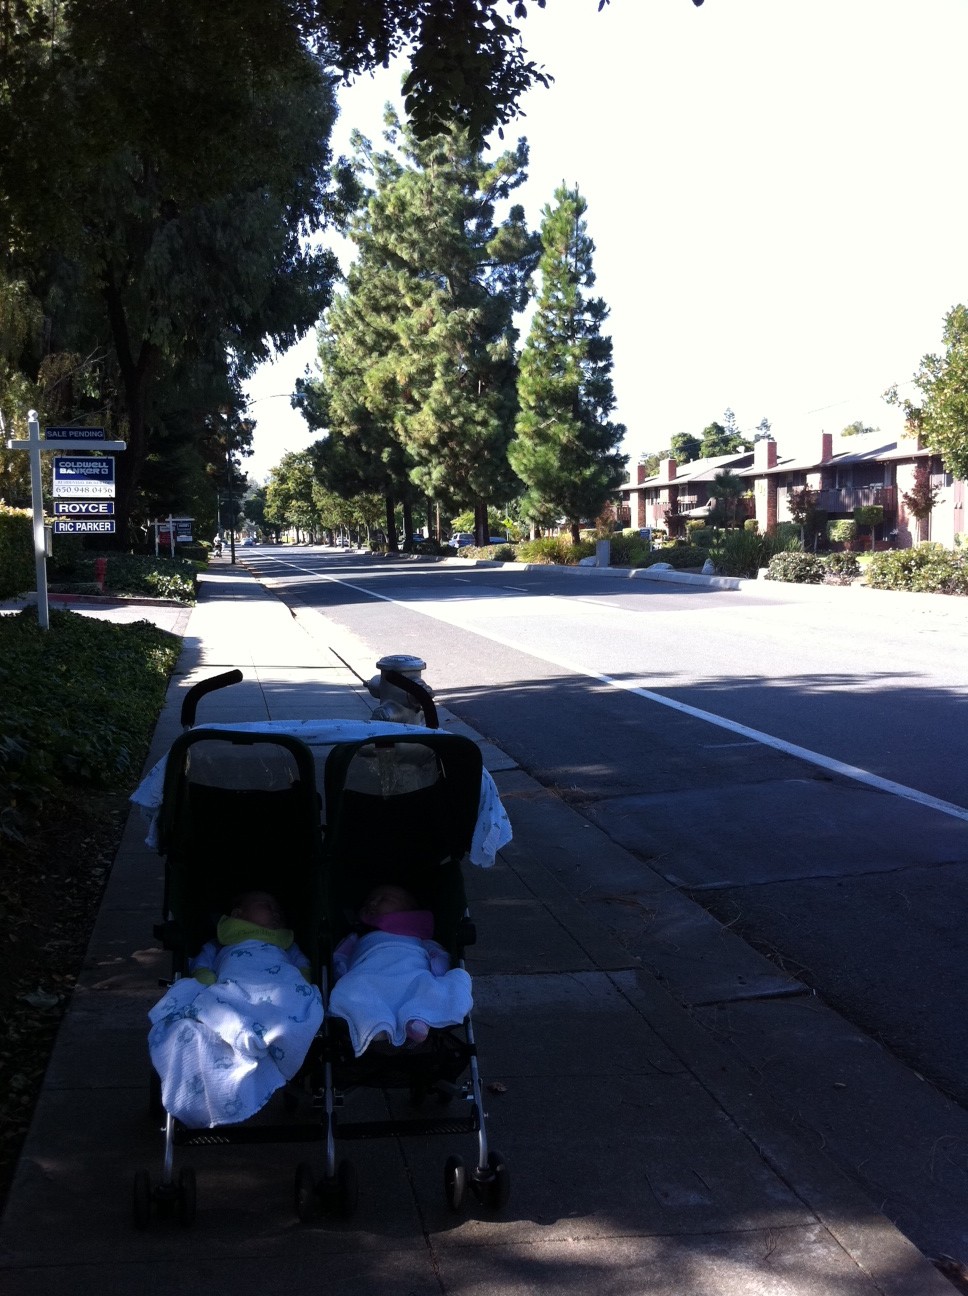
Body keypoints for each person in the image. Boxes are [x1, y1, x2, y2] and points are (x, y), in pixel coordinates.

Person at [148, 890, 323, 1128]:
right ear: (238, 913)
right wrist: (207, 983)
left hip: (279, 987)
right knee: (210, 1011)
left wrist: (301, 984)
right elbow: (202, 965)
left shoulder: (286, 944)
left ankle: (258, 1035)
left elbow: (302, 967)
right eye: (266, 905)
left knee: (294, 1000)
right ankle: (243, 1035)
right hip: (235, 989)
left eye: (278, 909)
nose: (276, 912)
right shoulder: (220, 943)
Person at [328, 883, 473, 1057]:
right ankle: (374, 1025)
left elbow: (439, 957)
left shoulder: (418, 938)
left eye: (383, 899)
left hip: (411, 975)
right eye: (369, 900)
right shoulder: (358, 937)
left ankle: (418, 1018)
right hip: (369, 976)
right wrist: (343, 975)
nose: (372, 903)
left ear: (408, 911)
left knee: (441, 983)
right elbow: (340, 958)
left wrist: (438, 973)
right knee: (355, 989)